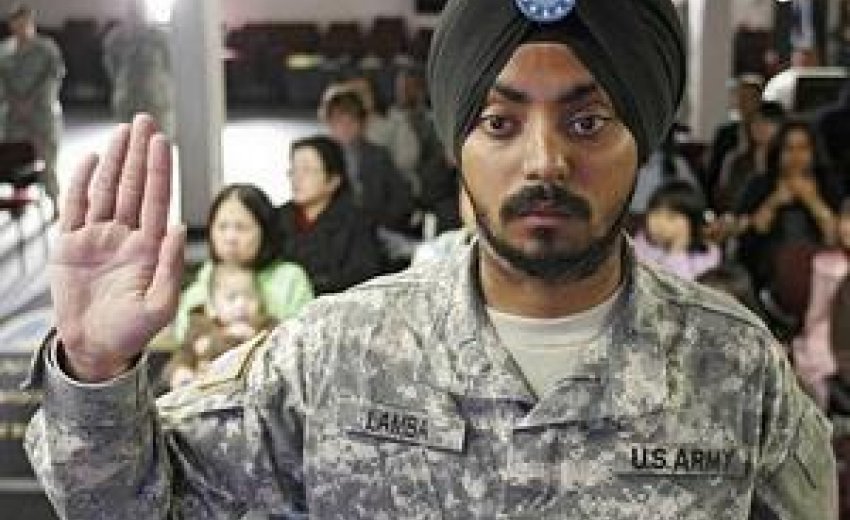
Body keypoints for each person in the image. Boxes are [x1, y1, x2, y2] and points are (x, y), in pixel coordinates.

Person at [25, 1, 836, 518]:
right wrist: (95, 369)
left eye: (587, 122)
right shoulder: (335, 354)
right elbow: (130, 505)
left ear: (643, 141)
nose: (544, 161)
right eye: (500, 123)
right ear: (457, 145)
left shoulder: (738, 371)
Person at [174, 183, 313, 342]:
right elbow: (184, 342)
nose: (230, 238)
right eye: (222, 227)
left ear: (265, 231)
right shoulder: (205, 279)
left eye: (241, 227)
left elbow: (305, 339)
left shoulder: (290, 279)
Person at [735, 119, 842, 292]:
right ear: (778, 152)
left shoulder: (829, 184)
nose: (796, 156)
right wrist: (773, 202)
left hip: (821, 274)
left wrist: (812, 200)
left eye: (803, 148)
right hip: (766, 275)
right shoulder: (759, 185)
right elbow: (751, 234)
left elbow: (835, 237)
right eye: (788, 149)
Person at [277, 135, 385, 295]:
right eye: (293, 170)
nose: (297, 178)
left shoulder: (357, 223)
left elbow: (364, 278)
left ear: (333, 181)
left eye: (307, 170)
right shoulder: (276, 218)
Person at [166, 263, 275, 389]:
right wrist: (179, 371)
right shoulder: (201, 325)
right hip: (207, 390)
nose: (241, 305)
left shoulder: (266, 325)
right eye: (231, 298)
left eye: (250, 297)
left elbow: (280, 348)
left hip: (254, 388)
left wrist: (255, 337)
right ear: (213, 306)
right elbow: (184, 353)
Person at [320, 88, 414, 233]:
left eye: (351, 121)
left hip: (377, 227)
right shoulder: (320, 157)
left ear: (363, 123)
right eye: (338, 122)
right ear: (329, 124)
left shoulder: (378, 155)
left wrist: (383, 223)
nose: (345, 128)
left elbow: (402, 198)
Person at [0, 4, 64, 208]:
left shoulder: (46, 48)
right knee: (15, 160)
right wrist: (13, 101)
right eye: (16, 23)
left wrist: (33, 100)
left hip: (42, 114)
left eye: (24, 23)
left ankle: (54, 201)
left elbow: (54, 76)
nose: (21, 28)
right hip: (13, 117)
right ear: (11, 25)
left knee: (48, 159)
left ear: (31, 22)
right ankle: (19, 200)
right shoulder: (4, 51)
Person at [792, 198, 850, 409]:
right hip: (828, 338)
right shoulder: (826, 265)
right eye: (845, 219)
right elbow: (816, 313)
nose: (847, 227)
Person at [103, 0, 174, 137]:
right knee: (130, 139)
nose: (136, 13)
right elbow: (111, 66)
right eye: (132, 9)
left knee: (159, 139)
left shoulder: (160, 36)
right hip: (128, 98)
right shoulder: (116, 37)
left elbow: (170, 64)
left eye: (139, 9)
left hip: (156, 98)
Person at [632, 181, 721, 280]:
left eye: (671, 217)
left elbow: (679, 286)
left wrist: (678, 249)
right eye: (655, 214)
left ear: (692, 222)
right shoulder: (642, 243)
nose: (659, 223)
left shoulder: (707, 255)